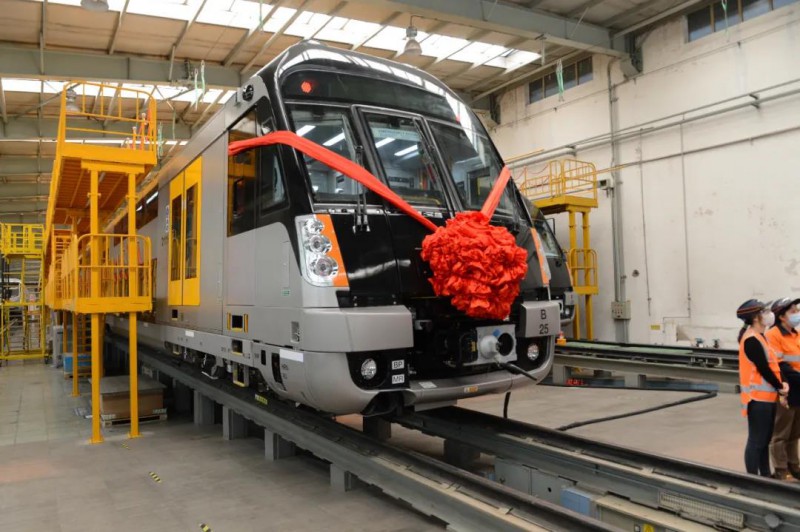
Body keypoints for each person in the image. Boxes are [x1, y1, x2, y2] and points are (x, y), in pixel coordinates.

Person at [737, 299, 789, 477]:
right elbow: (763, 369)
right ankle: (752, 479)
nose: (769, 314)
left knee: (764, 440)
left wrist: (782, 383)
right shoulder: (751, 339)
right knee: (756, 441)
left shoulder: (761, 337)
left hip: (766, 398)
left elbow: (773, 365)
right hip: (757, 399)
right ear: (755, 317)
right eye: (764, 311)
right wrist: (780, 386)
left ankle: (765, 476)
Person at [766, 297, 800, 480]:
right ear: (781, 316)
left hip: (798, 388)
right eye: (793, 311)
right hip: (785, 388)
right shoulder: (773, 335)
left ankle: (794, 465)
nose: (797, 314)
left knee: (795, 431)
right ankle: (781, 469)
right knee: (781, 432)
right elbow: (779, 365)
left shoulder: (796, 334)